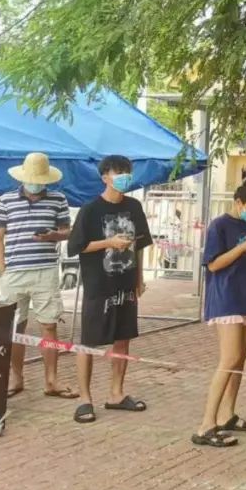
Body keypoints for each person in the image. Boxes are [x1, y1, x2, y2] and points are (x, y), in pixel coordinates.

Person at [67, 155, 153, 423]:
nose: (124, 177)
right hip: (99, 285)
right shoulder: (90, 210)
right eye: (118, 172)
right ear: (105, 177)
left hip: (126, 283)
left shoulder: (134, 206)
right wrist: (109, 243)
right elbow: (76, 246)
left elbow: (139, 245)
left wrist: (139, 278)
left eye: (127, 172)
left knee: (123, 338)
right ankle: (84, 399)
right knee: (89, 342)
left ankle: (116, 393)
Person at [192, 177, 246, 448]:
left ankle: (227, 414)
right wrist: (243, 247)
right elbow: (213, 265)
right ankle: (206, 424)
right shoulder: (219, 225)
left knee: (240, 359)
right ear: (238, 202)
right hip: (226, 298)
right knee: (229, 358)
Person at [0, 152, 77, 399]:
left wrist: (54, 236)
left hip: (45, 272)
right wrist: (2, 271)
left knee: (49, 324)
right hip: (14, 273)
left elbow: (67, 231)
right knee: (15, 327)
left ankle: (51, 380)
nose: (36, 184)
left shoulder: (58, 199)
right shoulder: (5, 200)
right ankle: (16, 377)